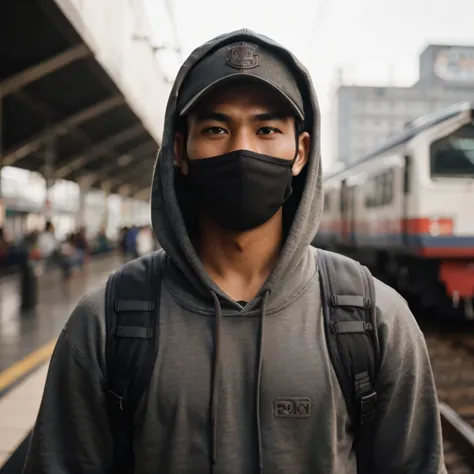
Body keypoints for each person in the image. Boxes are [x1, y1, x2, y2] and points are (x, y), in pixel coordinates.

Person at [23, 30, 447, 474]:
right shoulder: (105, 322)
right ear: (180, 152)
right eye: (216, 129)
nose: (242, 148)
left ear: (301, 152)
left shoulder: (374, 318)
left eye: (266, 129)